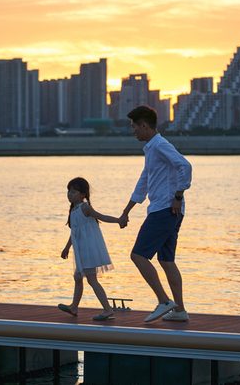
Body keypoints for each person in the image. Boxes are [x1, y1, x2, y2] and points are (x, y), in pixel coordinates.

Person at [120, 105, 192, 322]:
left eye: (134, 126)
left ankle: (163, 301)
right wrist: (126, 211)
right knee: (167, 260)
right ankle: (179, 310)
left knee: (138, 255)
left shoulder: (160, 145)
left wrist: (177, 196)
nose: (132, 131)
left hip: (164, 210)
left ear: (144, 125)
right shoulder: (151, 149)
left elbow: (185, 166)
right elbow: (144, 182)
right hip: (168, 211)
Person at [58, 177, 120, 321]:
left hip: (88, 250)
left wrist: (118, 220)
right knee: (78, 277)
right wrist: (67, 247)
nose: (69, 194)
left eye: (73, 191)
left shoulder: (84, 207)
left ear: (82, 194)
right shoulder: (73, 210)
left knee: (91, 280)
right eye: (68, 191)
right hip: (81, 250)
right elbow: (74, 232)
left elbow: (101, 217)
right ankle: (74, 307)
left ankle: (107, 309)